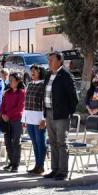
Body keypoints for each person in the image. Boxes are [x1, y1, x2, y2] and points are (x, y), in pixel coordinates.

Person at [42, 51, 79, 181]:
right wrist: (45, 113)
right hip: (49, 112)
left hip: (61, 115)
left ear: (59, 61)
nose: (49, 62)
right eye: (49, 60)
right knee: (52, 143)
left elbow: (74, 98)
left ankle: (63, 171)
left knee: (61, 143)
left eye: (51, 60)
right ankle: (55, 169)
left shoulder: (66, 76)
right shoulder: (48, 75)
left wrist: (68, 112)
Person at [23, 65, 48, 174]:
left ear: (41, 72)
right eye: (31, 71)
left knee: (40, 142)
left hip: (39, 117)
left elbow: (45, 103)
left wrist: (44, 119)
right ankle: (37, 165)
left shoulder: (44, 85)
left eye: (35, 71)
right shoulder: (29, 84)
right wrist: (24, 118)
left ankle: (41, 165)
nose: (32, 73)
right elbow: (26, 102)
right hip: (30, 117)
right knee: (34, 143)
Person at [0, 73, 26, 172]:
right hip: (6, 121)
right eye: (9, 80)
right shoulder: (7, 93)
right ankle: (11, 162)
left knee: (16, 142)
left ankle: (16, 164)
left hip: (17, 120)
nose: (10, 82)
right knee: (7, 142)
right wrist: (3, 114)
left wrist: (8, 115)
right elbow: (2, 105)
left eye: (12, 80)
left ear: (18, 81)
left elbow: (20, 108)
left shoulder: (22, 93)